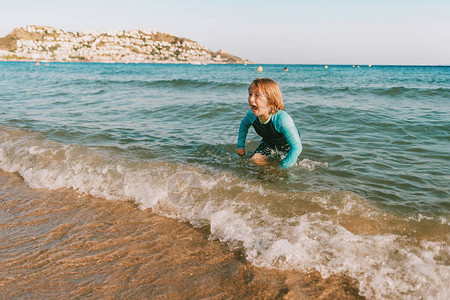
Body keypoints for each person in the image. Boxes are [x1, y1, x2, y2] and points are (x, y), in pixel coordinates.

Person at [236, 78, 302, 168]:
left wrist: (282, 167)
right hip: (268, 142)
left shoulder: (282, 118)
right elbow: (244, 125)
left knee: (286, 171)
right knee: (254, 160)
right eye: (250, 94)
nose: (251, 99)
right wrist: (240, 145)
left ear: (270, 99)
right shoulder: (251, 115)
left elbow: (297, 148)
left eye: (257, 95)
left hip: (287, 147)